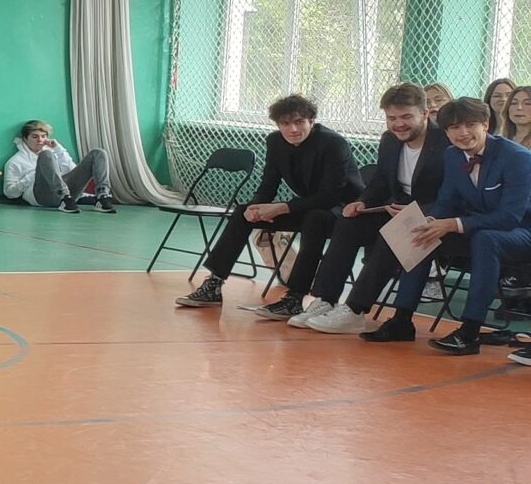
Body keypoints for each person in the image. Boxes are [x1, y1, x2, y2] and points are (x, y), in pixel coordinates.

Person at [364, 96, 531, 355]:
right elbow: (447, 200)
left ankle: (469, 332)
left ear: (486, 124)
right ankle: (401, 320)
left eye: (470, 125)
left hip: (520, 230)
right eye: (454, 127)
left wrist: (453, 224)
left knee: (486, 239)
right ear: (446, 132)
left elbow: (510, 216)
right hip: (479, 227)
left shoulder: (517, 157)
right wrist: (432, 220)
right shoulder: (452, 155)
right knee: (424, 231)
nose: (463, 133)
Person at [173, 93, 357, 316]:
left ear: (312, 121)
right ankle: (214, 284)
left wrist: (282, 207)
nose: (293, 129)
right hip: (307, 205)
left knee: (315, 219)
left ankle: (295, 298)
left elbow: (329, 196)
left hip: (343, 209)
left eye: (299, 122)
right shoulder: (275, 142)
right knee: (243, 212)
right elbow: (269, 183)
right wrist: (256, 207)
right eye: (285, 123)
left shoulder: (333, 143)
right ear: (278, 125)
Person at [295, 83, 450, 334]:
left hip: (434, 216)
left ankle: (355, 310)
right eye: (392, 118)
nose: (398, 124)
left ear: (424, 113)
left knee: (395, 232)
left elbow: (452, 192)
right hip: (398, 210)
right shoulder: (389, 139)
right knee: (348, 223)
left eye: (406, 117)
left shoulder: (445, 142)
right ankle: (325, 299)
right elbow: (381, 180)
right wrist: (363, 201)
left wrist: (419, 212)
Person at [0, 119, 114, 213]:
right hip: (42, 196)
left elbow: (72, 169)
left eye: (43, 136)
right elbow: (9, 193)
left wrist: (58, 149)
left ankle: (103, 196)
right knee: (46, 154)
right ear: (25, 139)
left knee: (98, 153)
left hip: (70, 196)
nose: (40, 140)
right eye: (35, 137)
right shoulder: (15, 161)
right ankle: (64, 197)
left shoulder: (53, 152)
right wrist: (30, 178)